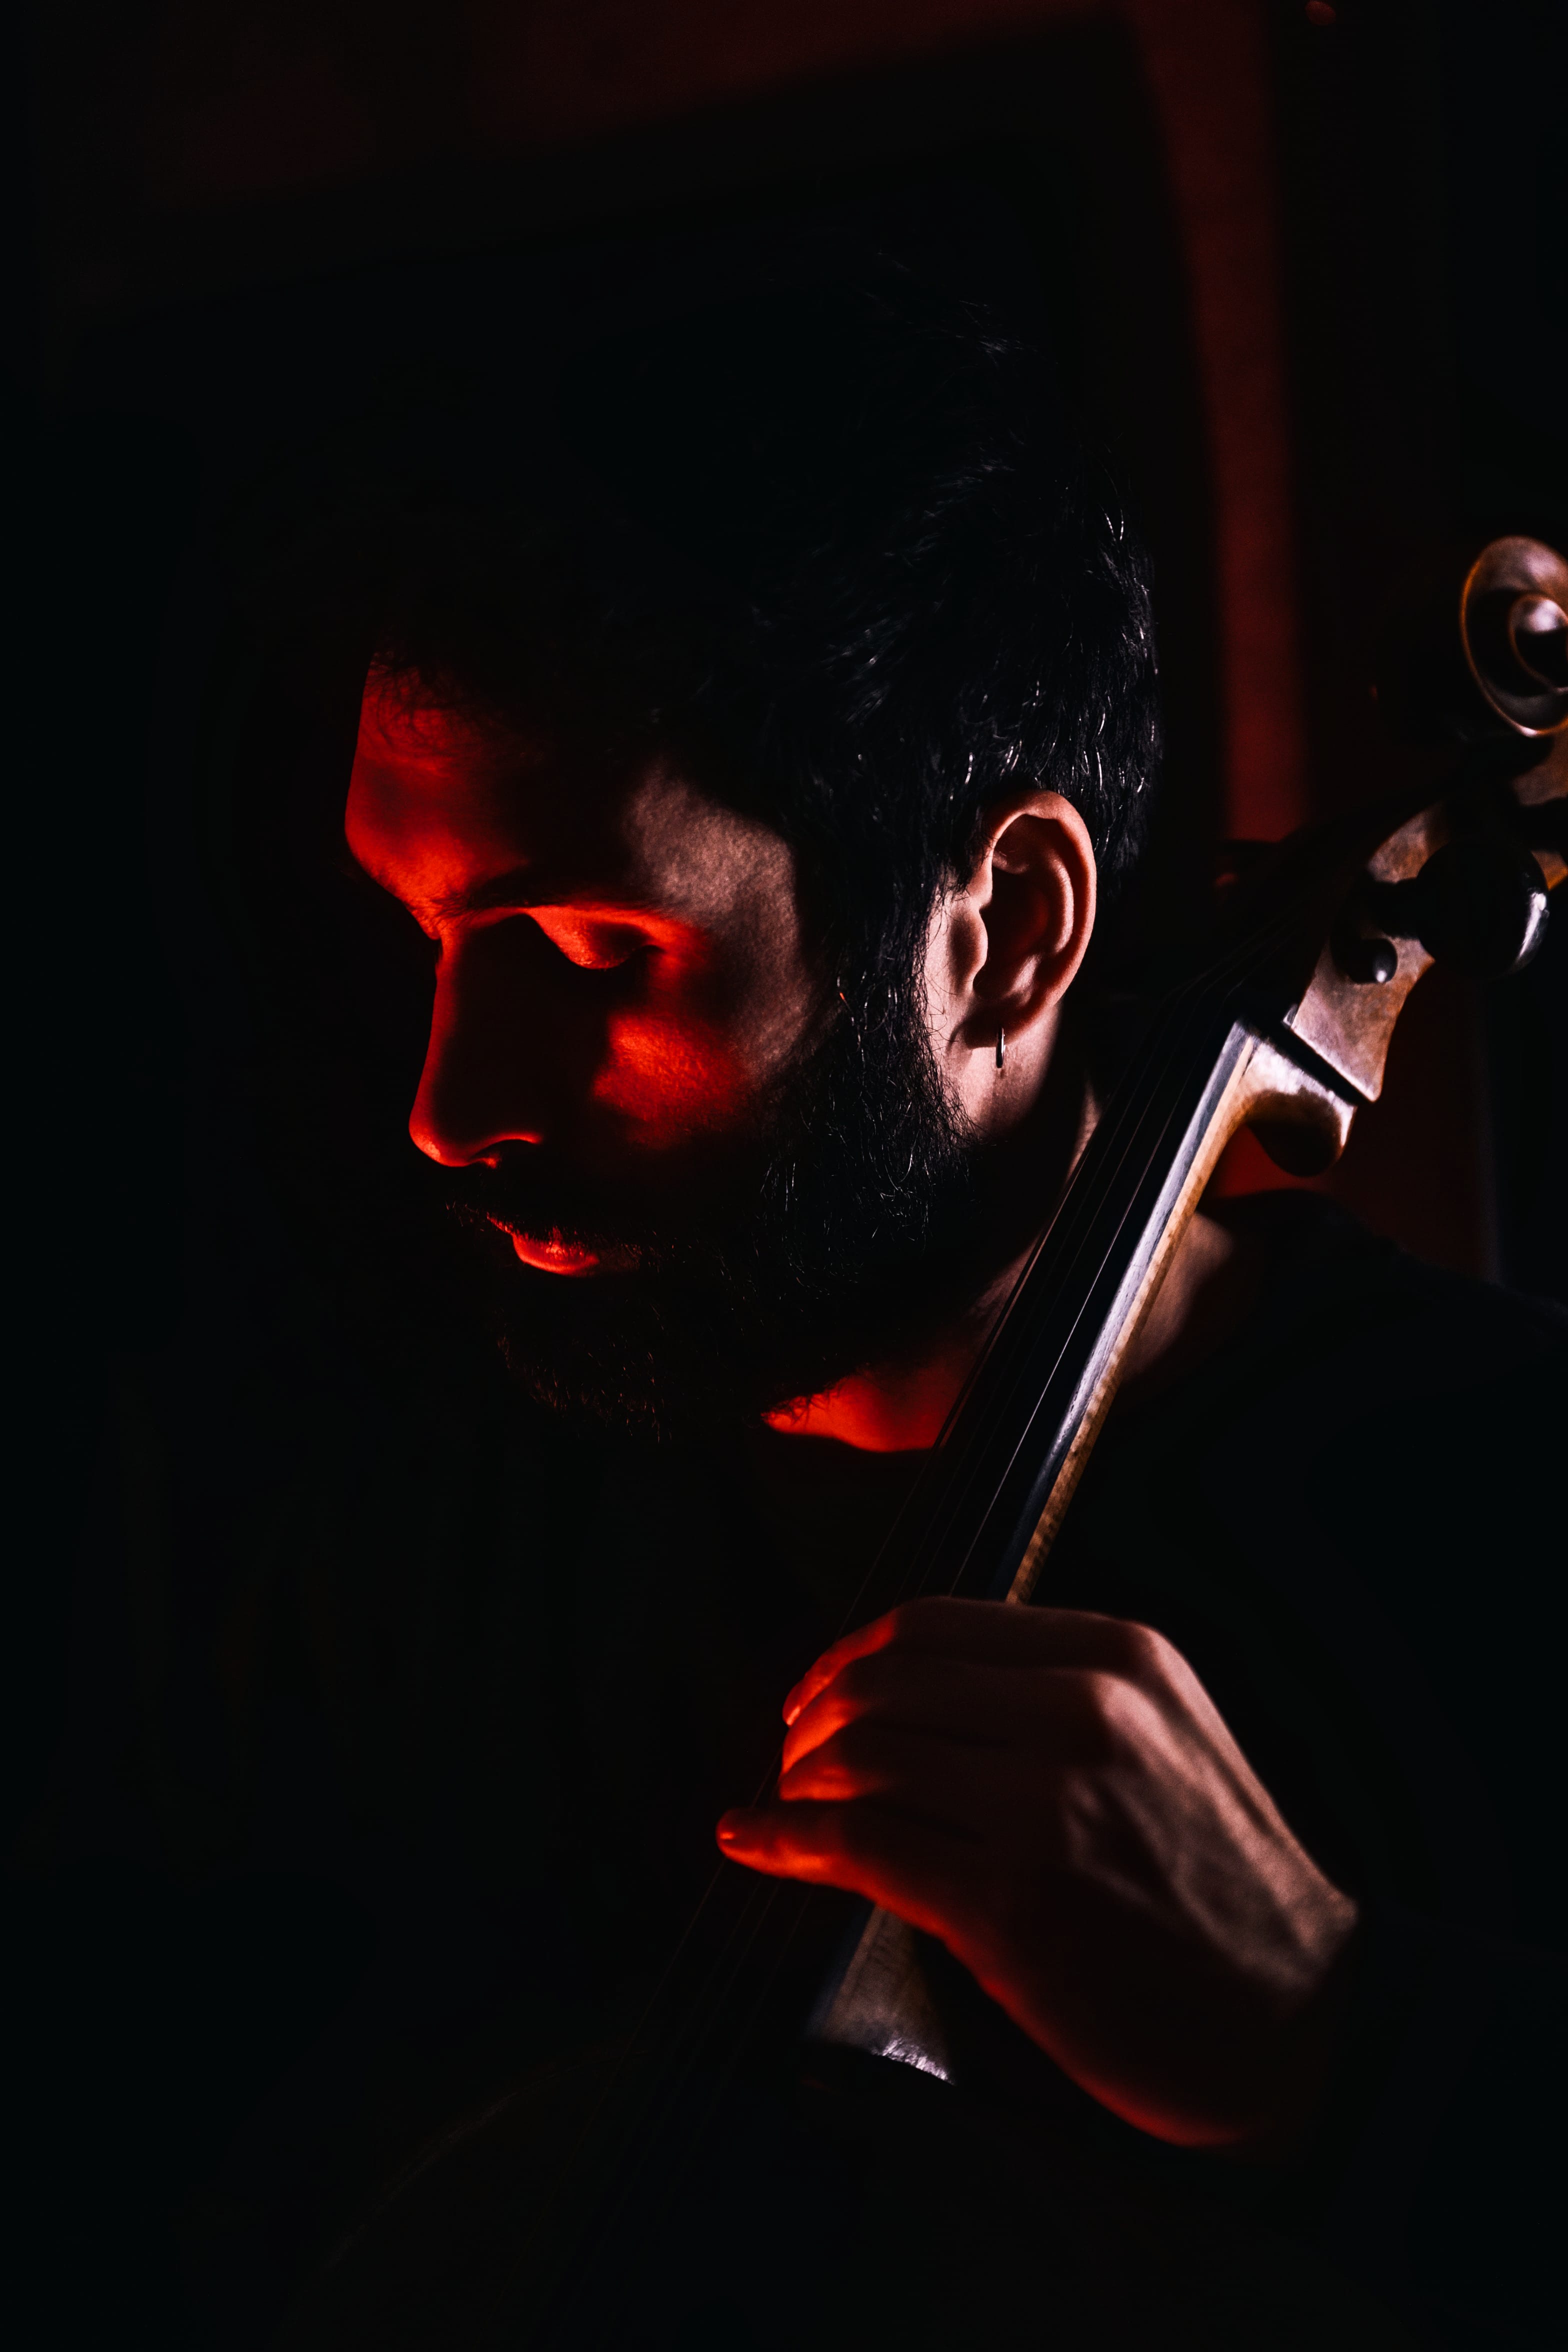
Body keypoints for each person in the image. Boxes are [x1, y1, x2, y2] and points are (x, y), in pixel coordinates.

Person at [30, 256, 1567, 2348]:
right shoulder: (407, 1575)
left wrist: (1335, 2039)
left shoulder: (1505, 1502)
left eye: (583, 954)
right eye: (422, 940)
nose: (442, 1107)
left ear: (1003, 937)